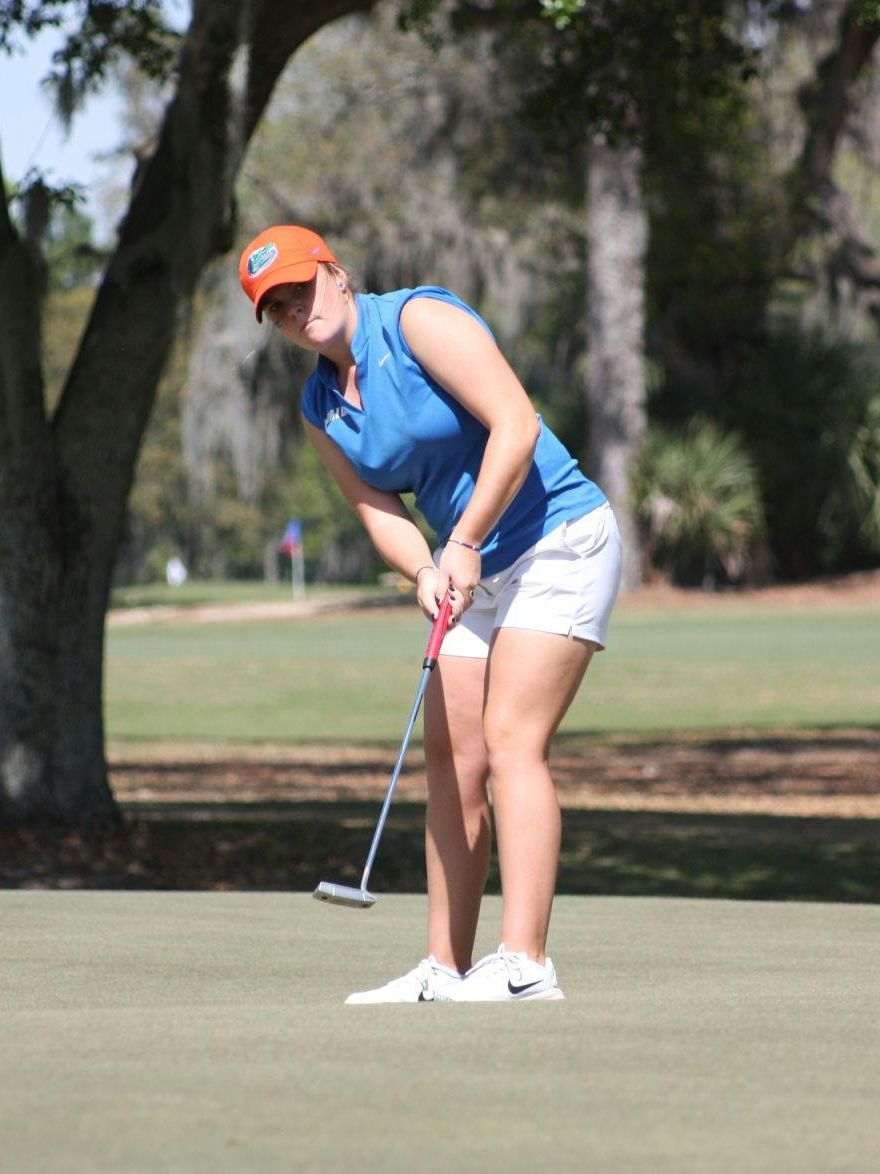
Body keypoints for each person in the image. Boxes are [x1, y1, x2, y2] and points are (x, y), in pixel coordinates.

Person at [238, 225, 621, 1002]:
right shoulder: (320, 406)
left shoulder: (416, 321)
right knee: (452, 764)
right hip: (465, 567)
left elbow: (519, 424)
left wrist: (466, 539)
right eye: (275, 308)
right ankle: (445, 967)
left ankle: (525, 965)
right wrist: (421, 565)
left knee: (515, 740)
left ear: (336, 274)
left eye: (301, 289)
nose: (293, 311)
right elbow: (375, 507)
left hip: (558, 539)